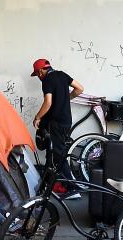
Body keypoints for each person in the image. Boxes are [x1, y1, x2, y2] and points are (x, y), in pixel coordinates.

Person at [30, 58, 85, 199]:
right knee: (52, 152)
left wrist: (37, 117)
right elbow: (80, 89)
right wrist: (67, 98)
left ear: (41, 71)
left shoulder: (47, 80)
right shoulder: (62, 75)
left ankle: (72, 189)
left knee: (58, 155)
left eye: (37, 74)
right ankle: (47, 185)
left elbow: (48, 103)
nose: (38, 77)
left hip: (56, 123)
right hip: (66, 121)